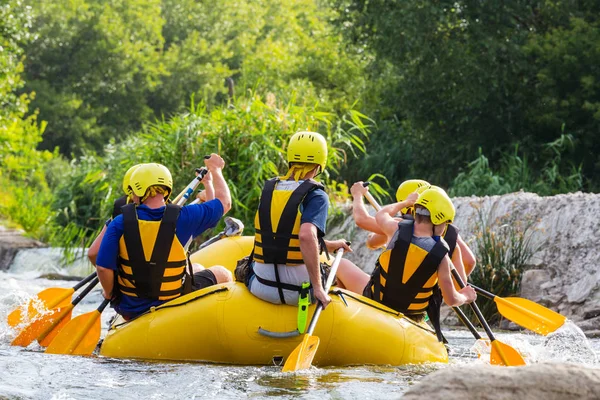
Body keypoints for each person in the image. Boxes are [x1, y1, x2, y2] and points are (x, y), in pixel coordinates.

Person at [95, 155, 233, 319]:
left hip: (130, 309)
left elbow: (103, 267)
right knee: (222, 273)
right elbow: (225, 203)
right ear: (167, 188)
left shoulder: (119, 223)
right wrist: (216, 170)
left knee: (197, 268)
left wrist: (110, 293)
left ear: (137, 190)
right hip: (173, 300)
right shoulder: (185, 217)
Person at [335, 188, 477, 340]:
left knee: (341, 264)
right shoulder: (442, 256)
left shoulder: (394, 229)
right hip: (412, 314)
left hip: (378, 300)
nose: (444, 229)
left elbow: (381, 214)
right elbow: (451, 300)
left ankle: (343, 319)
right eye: (445, 223)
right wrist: (465, 296)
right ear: (437, 221)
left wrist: (406, 202)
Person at [245, 131, 351, 309]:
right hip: (300, 292)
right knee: (334, 274)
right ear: (319, 164)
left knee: (243, 266)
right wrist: (317, 288)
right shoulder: (316, 195)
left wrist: (328, 245)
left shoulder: (270, 188)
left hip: (260, 286)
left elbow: (284, 237)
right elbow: (305, 236)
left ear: (290, 159)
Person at [88, 164, 143, 266]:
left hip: (127, 275)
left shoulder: (121, 207)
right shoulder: (170, 211)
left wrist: (110, 276)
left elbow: (93, 253)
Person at [350, 179, 429, 249]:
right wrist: (385, 232)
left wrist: (357, 194)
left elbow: (362, 219)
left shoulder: (399, 225)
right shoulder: (436, 227)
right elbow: (372, 242)